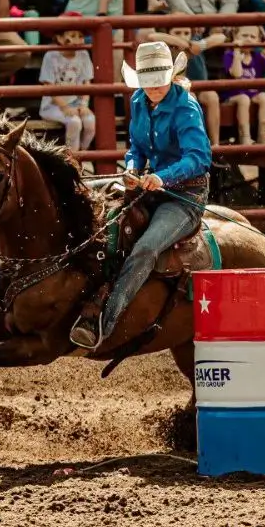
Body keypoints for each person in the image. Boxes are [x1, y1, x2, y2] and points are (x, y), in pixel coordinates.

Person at [68, 40, 211, 351]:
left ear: (171, 77)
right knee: (101, 226)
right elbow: (136, 148)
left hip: (185, 197)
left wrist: (163, 176)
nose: (154, 88)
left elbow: (199, 158)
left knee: (146, 248)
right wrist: (132, 167)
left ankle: (105, 324)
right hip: (149, 187)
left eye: (159, 81)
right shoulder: (138, 102)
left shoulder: (186, 107)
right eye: (148, 83)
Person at [39, 23, 97, 152]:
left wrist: (84, 104)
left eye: (80, 36)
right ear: (59, 38)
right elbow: (49, 85)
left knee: (90, 122)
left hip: (77, 103)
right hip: (54, 105)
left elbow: (86, 82)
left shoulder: (83, 54)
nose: (77, 40)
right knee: (74, 122)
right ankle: (72, 158)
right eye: (72, 35)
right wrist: (64, 106)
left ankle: (83, 153)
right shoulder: (51, 55)